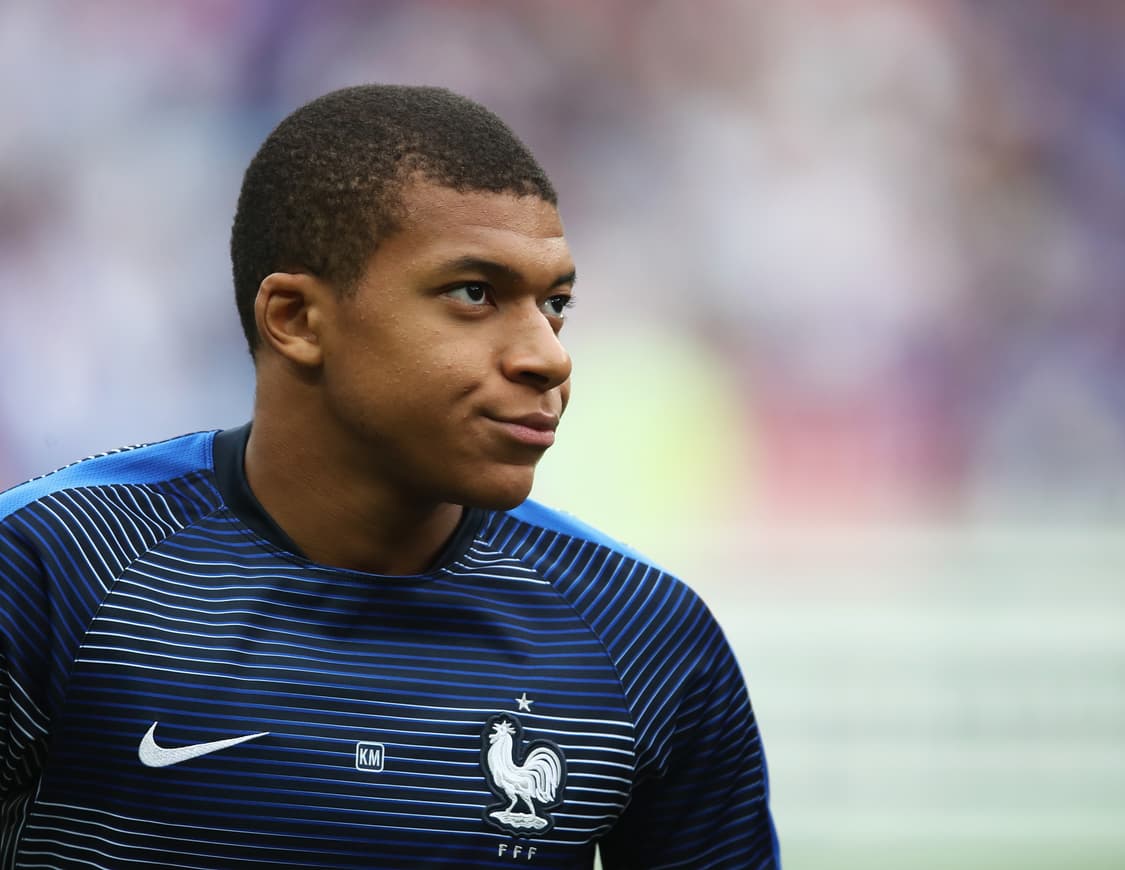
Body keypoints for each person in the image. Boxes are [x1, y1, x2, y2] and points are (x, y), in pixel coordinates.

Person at [0, 85, 778, 868]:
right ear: (297, 319)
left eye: (556, 304)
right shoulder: (50, 573)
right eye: (474, 293)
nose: (548, 355)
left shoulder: (646, 634)